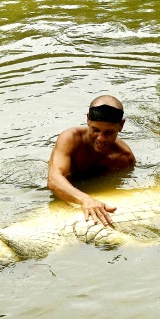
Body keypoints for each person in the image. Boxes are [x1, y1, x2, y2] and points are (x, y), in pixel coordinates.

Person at [47, 95, 136, 226]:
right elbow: (53, 180)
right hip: (69, 188)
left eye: (109, 132)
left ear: (121, 125)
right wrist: (86, 200)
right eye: (96, 130)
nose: (101, 138)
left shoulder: (124, 158)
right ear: (88, 119)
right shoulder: (70, 139)